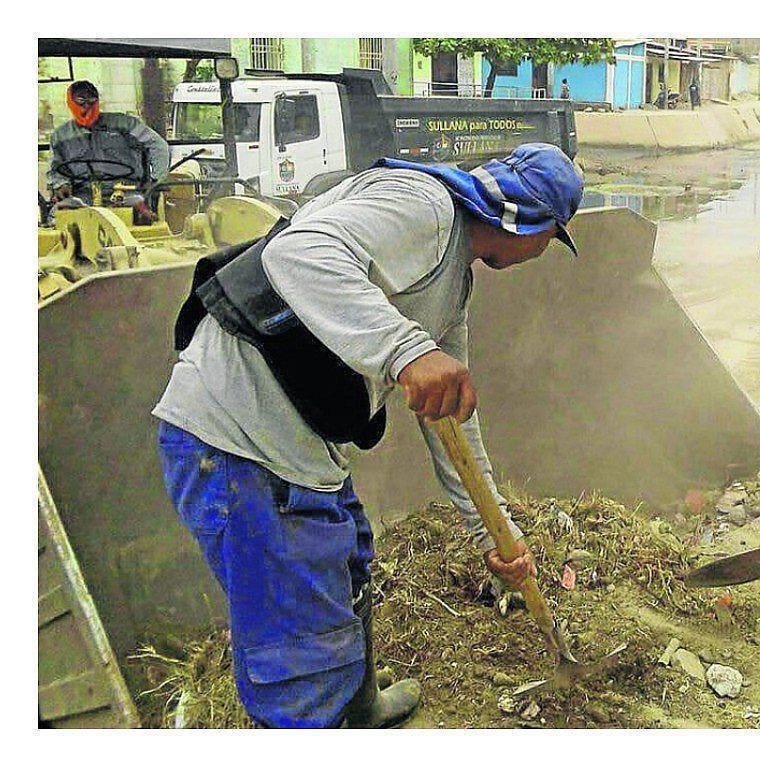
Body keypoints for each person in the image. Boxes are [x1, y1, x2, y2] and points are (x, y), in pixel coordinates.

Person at [154, 143, 583, 728]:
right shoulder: (425, 205)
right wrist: (406, 350)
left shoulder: (452, 279)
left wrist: (493, 531)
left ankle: (358, 709)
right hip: (237, 448)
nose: (541, 252)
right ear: (529, 222)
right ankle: (323, 717)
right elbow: (299, 253)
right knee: (300, 654)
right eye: (552, 237)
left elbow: (451, 416)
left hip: (296, 444)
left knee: (349, 567)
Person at [46, 80, 169, 216]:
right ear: (70, 103)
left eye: (91, 100)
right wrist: (61, 185)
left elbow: (158, 146)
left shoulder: (126, 124)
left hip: (125, 191)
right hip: (83, 195)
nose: (87, 106)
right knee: (58, 214)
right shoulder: (60, 136)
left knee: (140, 213)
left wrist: (156, 181)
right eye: (81, 101)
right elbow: (56, 169)